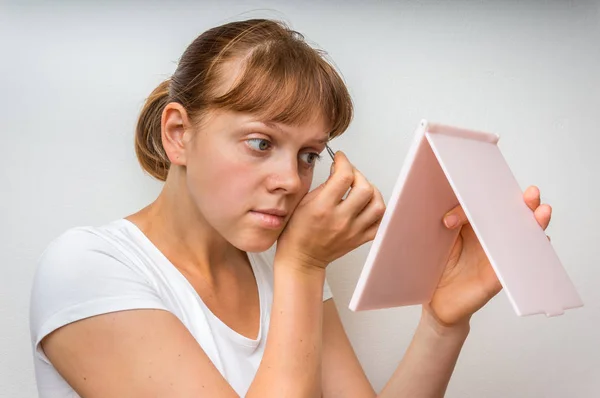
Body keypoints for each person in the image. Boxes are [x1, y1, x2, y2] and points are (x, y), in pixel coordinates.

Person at [29, 19, 552, 398]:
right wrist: (302, 266)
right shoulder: (87, 267)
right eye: (260, 143)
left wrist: (441, 324)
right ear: (178, 134)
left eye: (307, 155)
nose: (290, 181)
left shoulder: (282, 271)